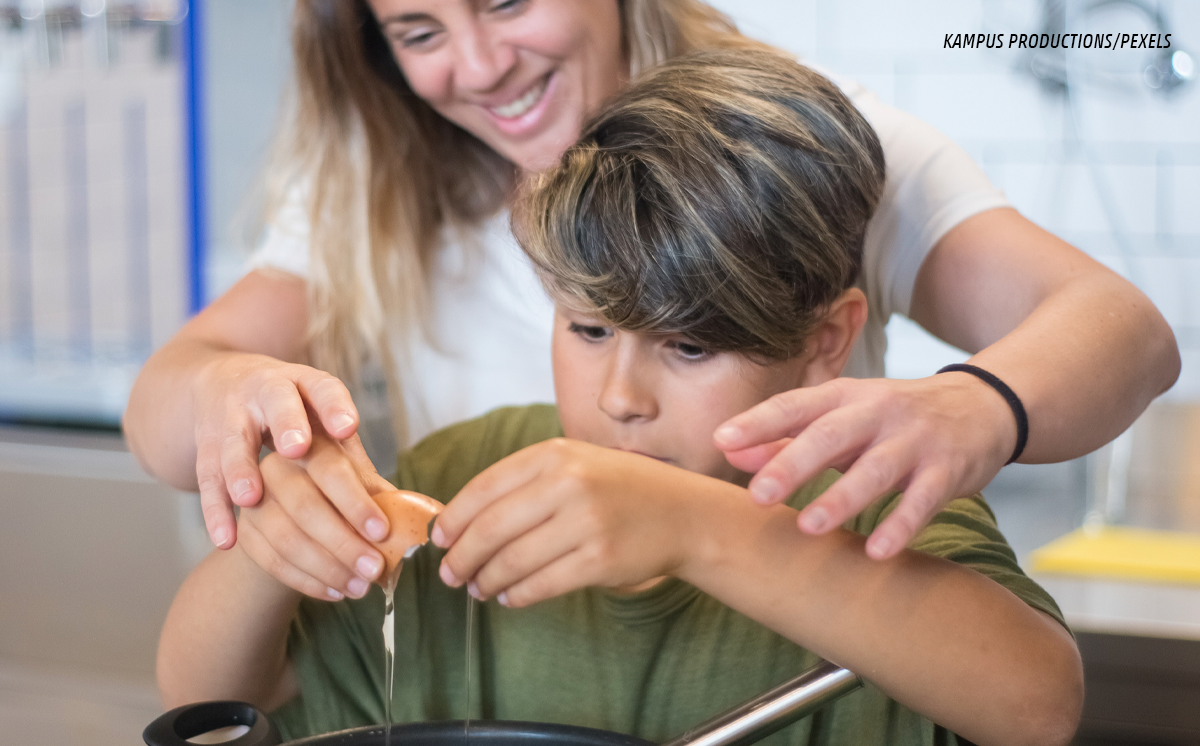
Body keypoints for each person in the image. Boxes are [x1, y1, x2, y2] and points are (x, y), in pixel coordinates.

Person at [156, 51, 1083, 746]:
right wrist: (267, 541)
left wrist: (694, 529)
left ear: (825, 338)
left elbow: (1038, 702)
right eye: (589, 329)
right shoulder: (469, 468)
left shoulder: (874, 497)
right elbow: (208, 699)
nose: (621, 396)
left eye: (687, 347)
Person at [125, 0, 1179, 603]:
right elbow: (170, 406)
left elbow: (1126, 332)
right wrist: (232, 393)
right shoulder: (380, 184)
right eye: (419, 30)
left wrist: (976, 404)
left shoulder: (804, 149)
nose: (482, 66)